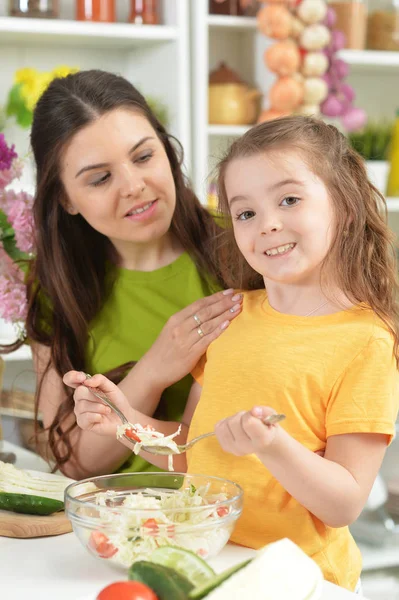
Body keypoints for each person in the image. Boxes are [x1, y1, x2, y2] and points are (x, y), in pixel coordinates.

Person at [67, 116, 399, 592]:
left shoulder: (366, 341)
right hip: (211, 565)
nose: (268, 224)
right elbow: (194, 453)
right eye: (245, 213)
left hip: (300, 583)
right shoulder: (232, 317)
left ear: (344, 205)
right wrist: (125, 423)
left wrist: (272, 446)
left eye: (289, 199)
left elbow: (344, 503)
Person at [21, 69, 243, 480]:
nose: (134, 185)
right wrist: (155, 369)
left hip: (234, 522)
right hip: (114, 527)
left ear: (167, 149)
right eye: (101, 178)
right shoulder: (58, 288)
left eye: (143, 156)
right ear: (66, 199)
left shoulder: (244, 253)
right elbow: (75, 463)